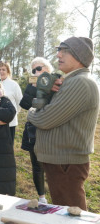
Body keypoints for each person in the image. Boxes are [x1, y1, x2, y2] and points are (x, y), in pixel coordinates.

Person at [28, 37, 99, 210]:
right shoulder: (70, 81)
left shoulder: (80, 83)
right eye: (59, 50)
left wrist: (31, 112)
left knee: (71, 216)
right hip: (62, 162)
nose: (58, 54)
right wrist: (46, 92)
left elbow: (43, 119)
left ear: (79, 56)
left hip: (66, 164)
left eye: (64, 51)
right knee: (64, 214)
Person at [19, 57, 54, 204]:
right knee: (37, 165)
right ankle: (42, 197)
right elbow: (25, 104)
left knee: (53, 166)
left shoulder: (55, 83)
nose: (36, 72)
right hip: (34, 131)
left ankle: (57, 195)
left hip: (51, 131)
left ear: (47, 69)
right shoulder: (32, 86)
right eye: (34, 70)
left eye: (39, 68)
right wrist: (32, 86)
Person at [0, 61, 22, 143]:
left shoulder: (14, 85)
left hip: (10, 123)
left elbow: (19, 102)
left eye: (3, 69)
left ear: (8, 71)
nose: (1, 71)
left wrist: (12, 114)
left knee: (8, 148)